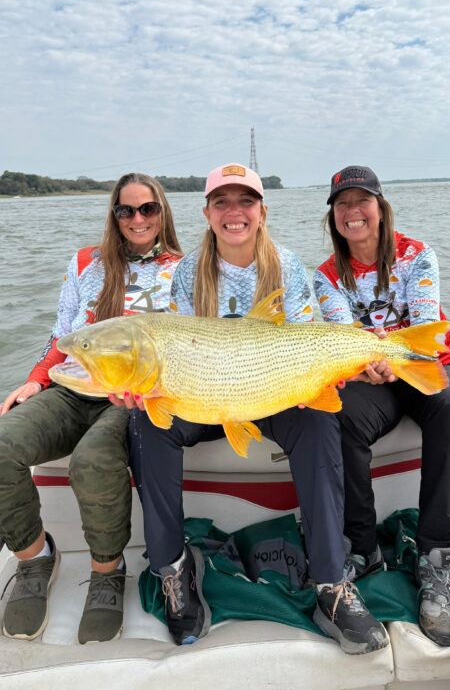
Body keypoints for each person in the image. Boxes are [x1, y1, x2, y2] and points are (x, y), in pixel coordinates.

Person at [111, 163, 389, 655]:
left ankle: (331, 582)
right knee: (145, 423)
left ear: (262, 211)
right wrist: (142, 384)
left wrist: (324, 374)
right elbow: (174, 350)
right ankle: (173, 569)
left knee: (322, 419)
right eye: (222, 202)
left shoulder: (288, 266)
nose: (234, 212)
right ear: (207, 212)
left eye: (245, 202)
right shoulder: (188, 272)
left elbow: (303, 342)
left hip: (272, 389)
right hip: (207, 393)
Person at [0, 173, 182, 644]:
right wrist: (35, 380)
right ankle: (34, 557)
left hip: (129, 398)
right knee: (3, 443)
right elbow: (61, 333)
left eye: (148, 209)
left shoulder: (185, 268)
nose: (138, 219)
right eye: (127, 210)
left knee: (93, 460)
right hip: (72, 388)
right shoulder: (86, 262)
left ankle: (107, 571)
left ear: (163, 212)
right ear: (114, 215)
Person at [313, 165, 450, 647]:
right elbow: (345, 334)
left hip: (430, 362)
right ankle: (362, 548)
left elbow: (426, 325)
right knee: (336, 416)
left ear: (381, 208)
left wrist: (383, 352)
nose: (352, 212)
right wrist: (369, 360)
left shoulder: (417, 255)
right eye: (342, 204)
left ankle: (437, 560)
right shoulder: (326, 276)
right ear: (333, 217)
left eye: (362, 201)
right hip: (373, 372)